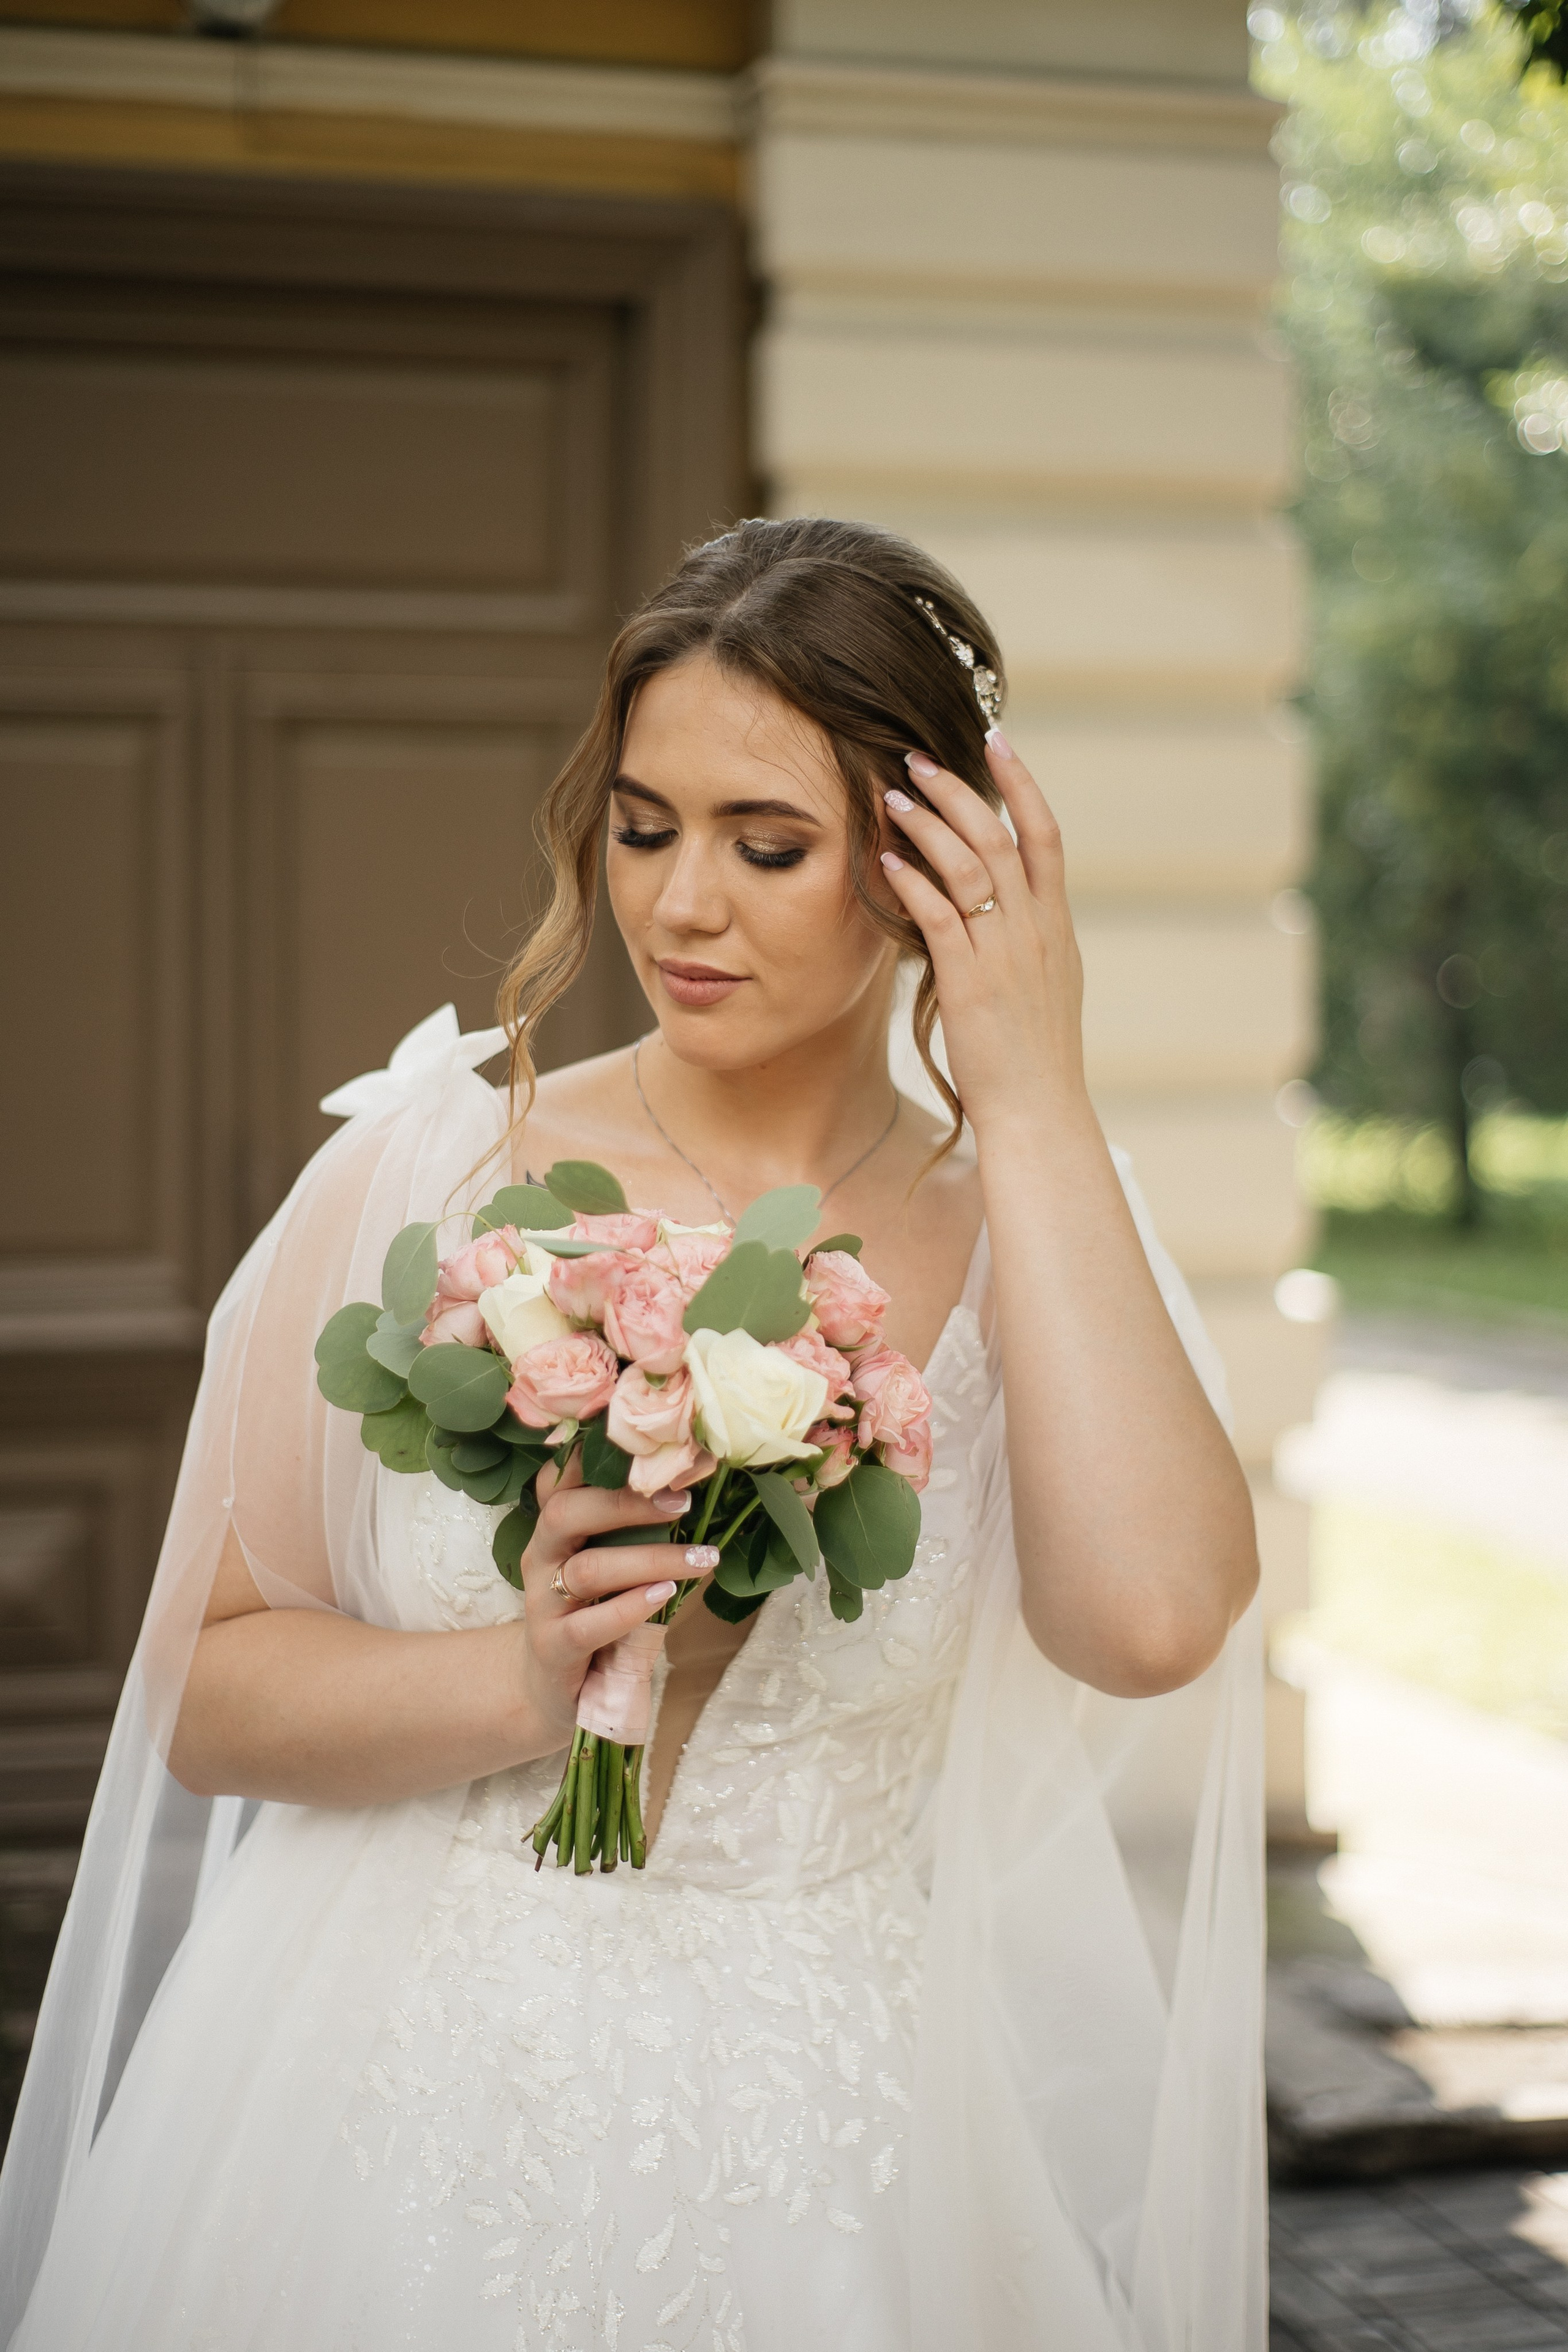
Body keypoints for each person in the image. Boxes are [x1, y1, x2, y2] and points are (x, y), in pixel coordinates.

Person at [0, 518, 1265, 2351]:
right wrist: (523, 1686)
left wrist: (1035, 1090)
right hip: (390, 2092)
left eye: (769, 846)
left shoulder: (1037, 1222)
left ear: (926, 872)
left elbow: (1149, 1627)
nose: (680, 907)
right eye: (647, 824)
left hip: (836, 2129)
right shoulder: (427, 1166)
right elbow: (204, 1691)